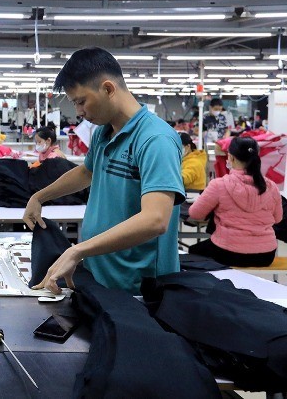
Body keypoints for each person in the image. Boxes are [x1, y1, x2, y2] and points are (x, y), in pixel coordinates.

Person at [23, 47, 185, 294]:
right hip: (101, 274)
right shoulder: (104, 132)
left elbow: (156, 219)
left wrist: (78, 250)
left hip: (139, 287)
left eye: (81, 101)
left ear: (108, 89)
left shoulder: (155, 139)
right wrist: (39, 197)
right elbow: (86, 173)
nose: (78, 112)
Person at [188, 137, 282, 267]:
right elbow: (278, 219)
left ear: (231, 158)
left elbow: (195, 214)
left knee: (193, 251)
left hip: (227, 252)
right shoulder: (271, 187)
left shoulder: (219, 185)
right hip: (265, 255)